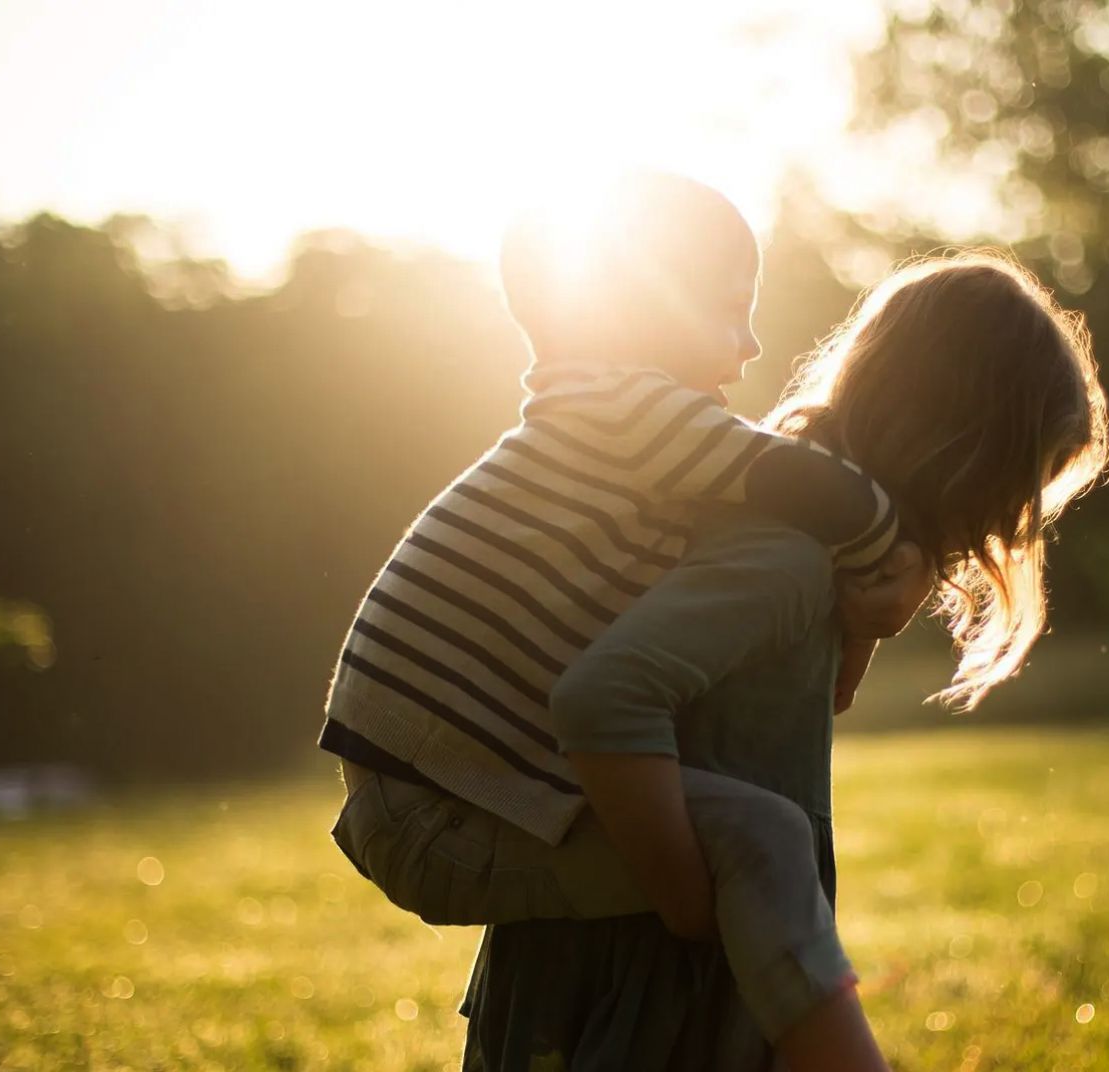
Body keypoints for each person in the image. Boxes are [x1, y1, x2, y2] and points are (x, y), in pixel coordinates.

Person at [321, 172, 934, 1069]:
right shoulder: (625, 411)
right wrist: (894, 562)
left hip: (428, 795)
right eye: (731, 310)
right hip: (435, 812)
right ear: (645, 305)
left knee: (745, 834)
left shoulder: (598, 422)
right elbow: (808, 487)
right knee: (760, 838)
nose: (752, 343)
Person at [454, 251, 1109, 1069]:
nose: (1009, 524)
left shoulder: (809, 547)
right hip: (641, 980)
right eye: (1022, 484)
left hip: (676, 959)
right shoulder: (785, 558)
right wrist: (693, 903)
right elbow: (604, 697)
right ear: (963, 452)